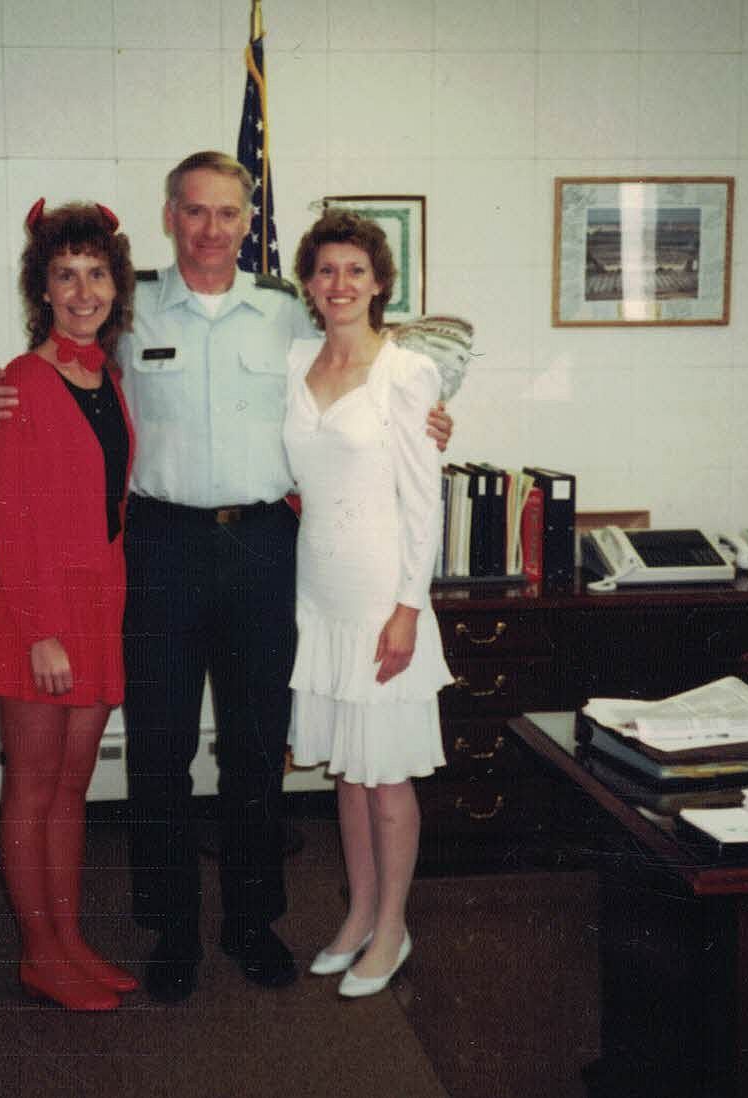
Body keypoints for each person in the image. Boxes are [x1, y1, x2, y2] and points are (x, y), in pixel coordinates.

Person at [0, 151, 452, 1005]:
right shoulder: (130, 307)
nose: (210, 229)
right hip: (157, 549)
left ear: (247, 220)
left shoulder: (283, 315)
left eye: (227, 213)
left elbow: (366, 360)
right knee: (159, 752)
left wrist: (432, 407)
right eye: (194, 212)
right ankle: (170, 930)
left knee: (252, 750)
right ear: (169, 217)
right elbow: (61, 370)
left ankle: (250, 921)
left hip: (265, 546)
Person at [0, 199, 137, 1011]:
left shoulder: (109, 375)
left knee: (72, 789)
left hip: (99, 602)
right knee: (32, 788)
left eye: (95, 273)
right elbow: (7, 516)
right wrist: (40, 633)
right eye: (64, 274)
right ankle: (38, 951)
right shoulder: (17, 385)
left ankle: (67, 941)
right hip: (38, 612)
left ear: (115, 283)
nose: (82, 289)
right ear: (42, 286)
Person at [285, 208, 452, 998]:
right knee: (347, 774)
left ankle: (393, 926)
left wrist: (408, 608)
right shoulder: (292, 361)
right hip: (317, 599)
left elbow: (425, 503)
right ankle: (357, 915)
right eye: (325, 270)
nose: (339, 283)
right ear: (308, 285)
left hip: (383, 599)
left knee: (385, 774)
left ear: (379, 282)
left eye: (355, 270)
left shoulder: (406, 371)